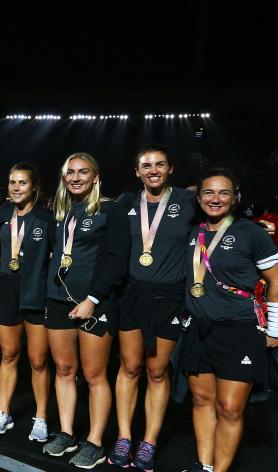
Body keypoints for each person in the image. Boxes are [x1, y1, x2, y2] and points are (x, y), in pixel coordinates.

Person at [180, 169, 278, 472]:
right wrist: (191, 191)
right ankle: (204, 465)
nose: (215, 199)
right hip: (198, 328)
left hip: (239, 330)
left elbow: (277, 283)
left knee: (229, 408)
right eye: (208, 193)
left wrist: (275, 330)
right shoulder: (192, 230)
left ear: (235, 197)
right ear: (198, 197)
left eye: (224, 193)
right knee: (201, 399)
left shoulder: (250, 232)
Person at [109, 145, 199, 470]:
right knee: (130, 367)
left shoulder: (189, 202)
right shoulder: (126, 203)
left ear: (170, 168)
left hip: (169, 298)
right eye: (146, 165)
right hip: (132, 295)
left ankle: (148, 441)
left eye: (160, 164)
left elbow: (221, 217)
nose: (153, 170)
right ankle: (123, 436)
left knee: (157, 371)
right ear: (137, 171)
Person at [41, 152, 129, 469]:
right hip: (57, 300)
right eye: (70, 173)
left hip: (95, 302)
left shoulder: (111, 210)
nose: (76, 178)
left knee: (93, 375)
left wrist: (93, 298)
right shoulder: (62, 211)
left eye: (83, 172)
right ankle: (66, 433)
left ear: (96, 177)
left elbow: (118, 260)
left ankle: (94, 442)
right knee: (64, 370)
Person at [0, 163, 53, 441]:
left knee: (38, 360)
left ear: (34, 186)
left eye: (22, 183)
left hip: (35, 291)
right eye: (12, 182)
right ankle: (4, 412)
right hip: (6, 288)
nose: (15, 188)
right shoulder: (3, 214)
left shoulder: (47, 219)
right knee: (8, 355)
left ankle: (41, 418)